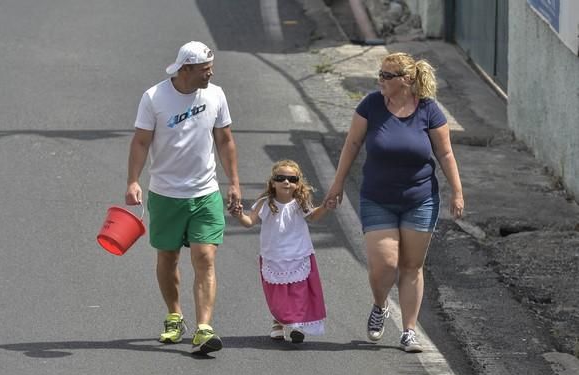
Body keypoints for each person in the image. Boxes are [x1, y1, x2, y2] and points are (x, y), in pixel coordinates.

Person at [323, 52, 464, 353]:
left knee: (412, 266)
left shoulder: (429, 110)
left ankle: (409, 331)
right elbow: (352, 144)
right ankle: (379, 304)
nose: (380, 80)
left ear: (406, 80)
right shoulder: (371, 105)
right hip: (377, 198)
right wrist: (336, 185)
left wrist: (457, 191)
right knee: (384, 264)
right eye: (380, 75)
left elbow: (446, 153)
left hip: (421, 199)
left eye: (387, 76)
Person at [125, 41, 241, 355]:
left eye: (210, 68)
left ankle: (204, 327)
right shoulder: (154, 97)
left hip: (205, 192)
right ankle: (174, 315)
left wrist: (234, 183)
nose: (211, 73)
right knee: (168, 258)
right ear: (185, 69)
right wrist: (133, 181)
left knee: (205, 258)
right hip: (165, 194)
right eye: (205, 69)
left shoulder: (216, 94)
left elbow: (225, 139)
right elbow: (140, 142)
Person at [230, 160, 336, 343]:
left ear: (297, 183)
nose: (286, 182)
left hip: (299, 252)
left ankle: (297, 324)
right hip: (273, 254)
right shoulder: (264, 203)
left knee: (298, 290)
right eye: (281, 178)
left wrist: (325, 207)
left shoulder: (300, 202)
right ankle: (278, 323)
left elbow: (313, 216)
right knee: (277, 293)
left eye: (291, 179)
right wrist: (239, 215)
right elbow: (249, 222)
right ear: (273, 182)